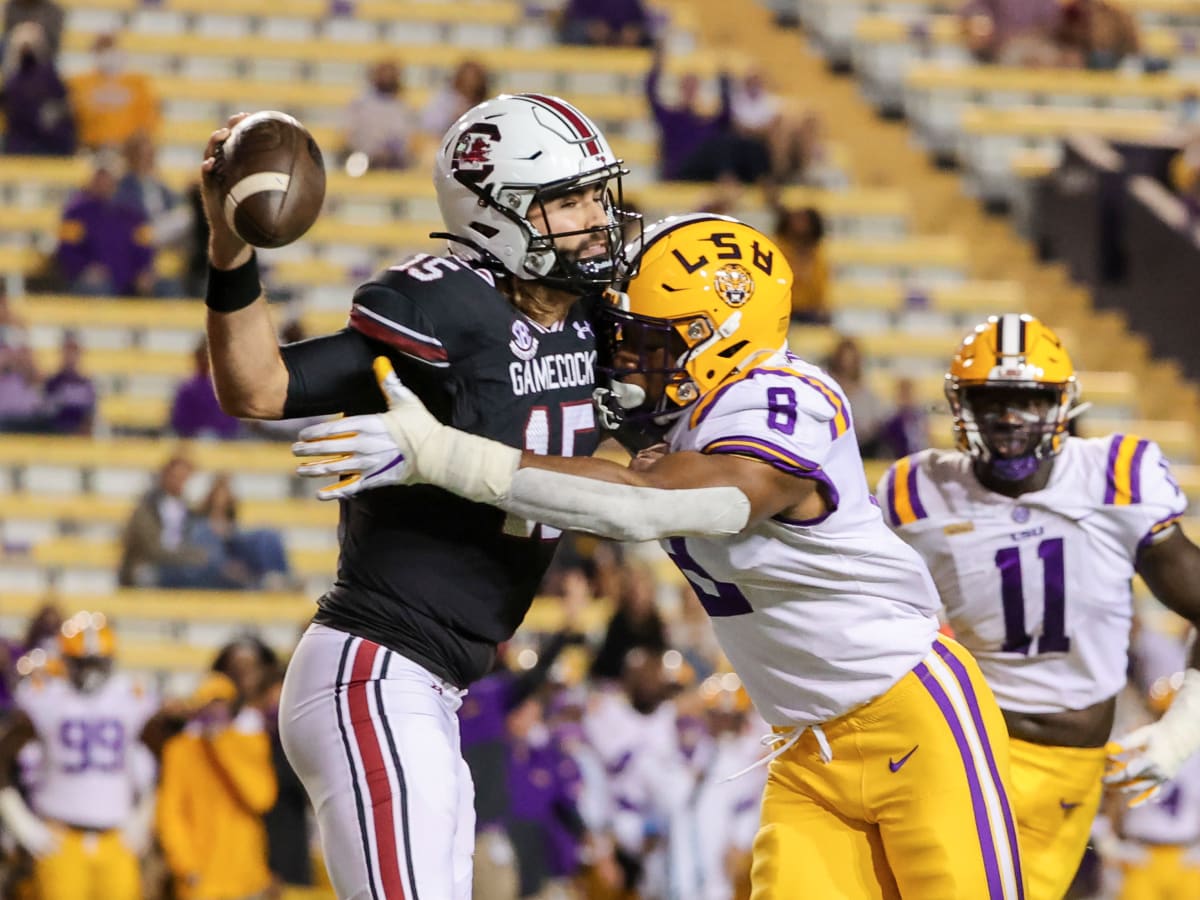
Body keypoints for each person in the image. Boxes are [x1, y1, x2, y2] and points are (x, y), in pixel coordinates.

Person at [291, 213, 1025, 897]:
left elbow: (654, 503)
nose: (626, 356)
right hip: (806, 747)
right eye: (623, 334)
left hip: (913, 714)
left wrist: (444, 454)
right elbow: (562, 466)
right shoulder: (675, 416)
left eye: (652, 340)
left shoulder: (783, 396)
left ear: (723, 336)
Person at [199, 92, 638, 899]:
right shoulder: (445, 307)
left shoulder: (593, 321)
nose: (595, 219)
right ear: (497, 213)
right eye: (567, 201)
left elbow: (616, 477)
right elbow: (260, 387)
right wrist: (229, 251)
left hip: (439, 686)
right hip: (377, 669)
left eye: (593, 196)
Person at [874, 314, 1200, 900]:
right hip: (958, 745)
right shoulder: (916, 491)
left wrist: (1182, 731)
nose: (1008, 418)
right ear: (960, 405)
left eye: (1027, 399)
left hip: (1064, 765)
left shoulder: (1115, 479)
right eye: (992, 399)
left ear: (1061, 403)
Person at [0, 612, 159, 900]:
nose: (90, 672)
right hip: (61, 836)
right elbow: (2, 759)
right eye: (83, 663)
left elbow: (160, 761)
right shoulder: (44, 698)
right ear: (67, 661)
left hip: (116, 838)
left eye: (97, 662)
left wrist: (144, 815)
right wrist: (21, 822)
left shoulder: (132, 698)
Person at [157, 665, 277, 900]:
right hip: (201, 883)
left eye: (220, 704)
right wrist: (186, 866)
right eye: (208, 704)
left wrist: (222, 744)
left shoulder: (252, 743)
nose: (214, 711)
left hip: (247, 880)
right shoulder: (180, 750)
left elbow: (261, 799)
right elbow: (169, 814)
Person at [68, 32, 159, 150]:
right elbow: (73, 118)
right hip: (91, 147)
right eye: (101, 50)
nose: (106, 55)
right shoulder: (79, 82)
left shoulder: (137, 83)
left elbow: (149, 119)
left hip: (127, 150)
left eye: (109, 49)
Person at [0, 20, 74, 156]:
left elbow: (63, 107)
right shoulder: (11, 80)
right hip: (20, 144)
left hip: (51, 144)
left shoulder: (49, 76)